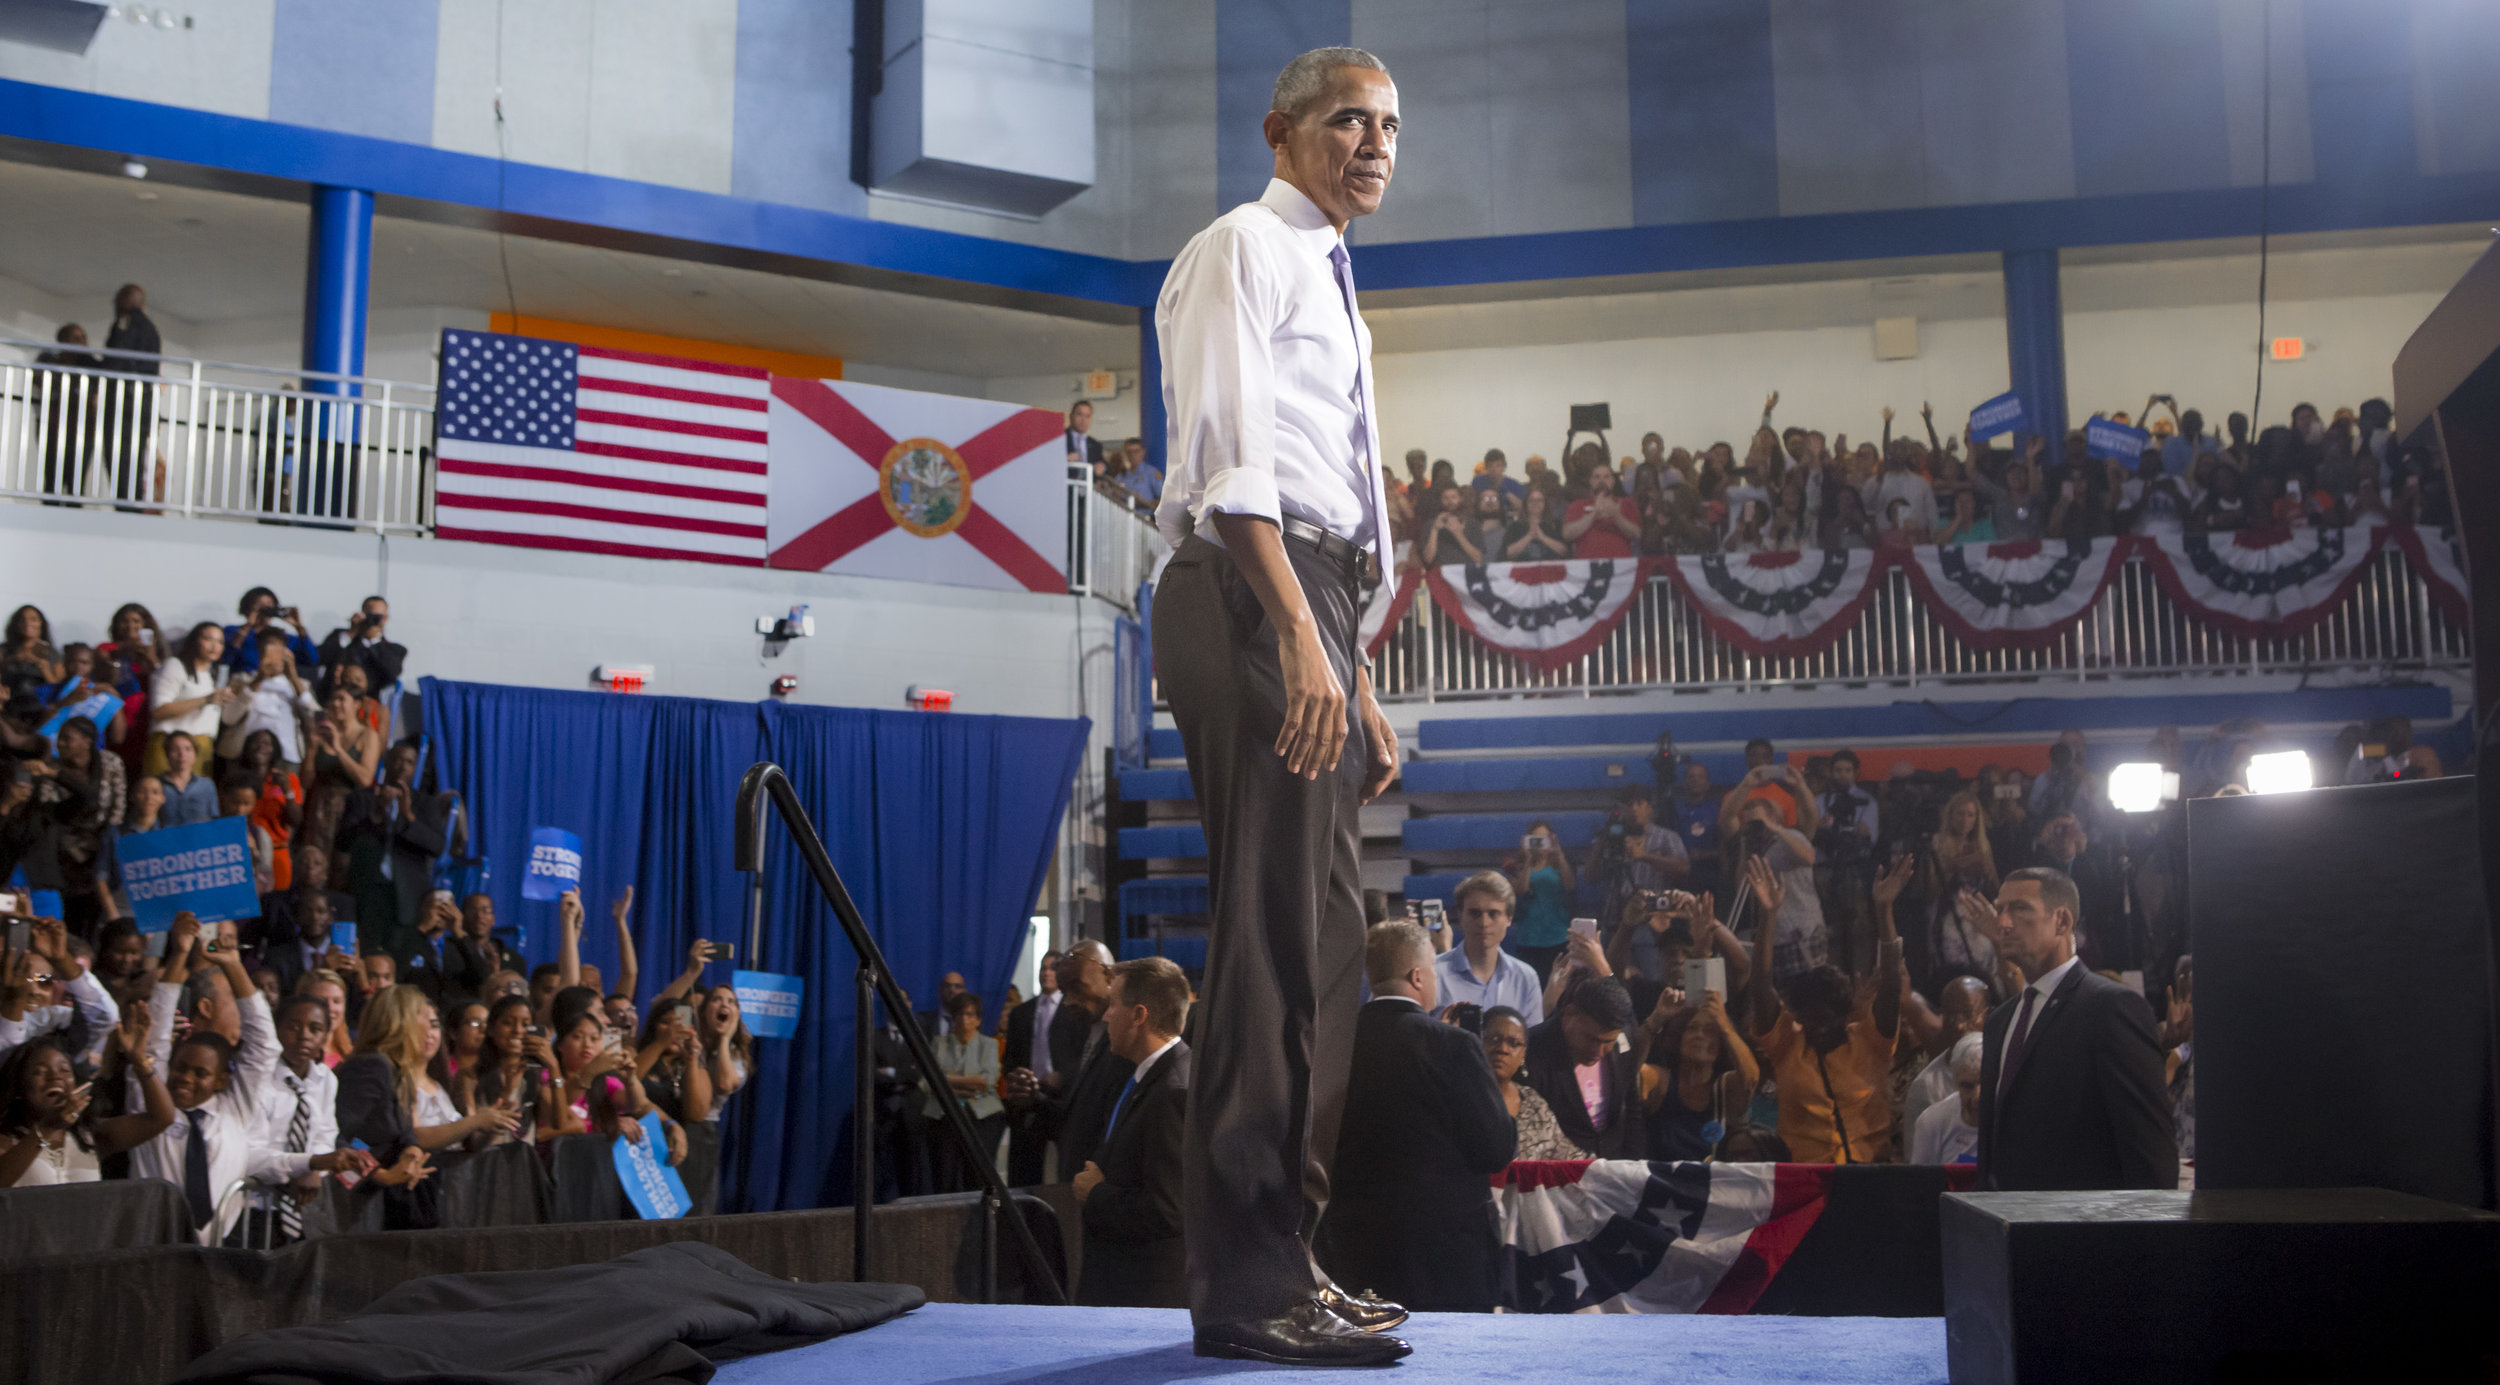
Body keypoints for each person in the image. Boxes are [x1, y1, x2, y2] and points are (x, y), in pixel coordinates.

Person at [1149, 43, 1410, 1364]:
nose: (1373, 143)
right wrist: (1305, 635)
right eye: (1346, 120)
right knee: (1266, 947)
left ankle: (1286, 1258)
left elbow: (1334, 479)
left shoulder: (1332, 276)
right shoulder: (1243, 246)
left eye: (1387, 125)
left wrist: (1352, 670)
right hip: (1253, 586)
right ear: (1281, 130)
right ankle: (1248, 1286)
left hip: (1315, 604)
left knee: (1327, 949)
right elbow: (1235, 462)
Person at [1317, 921, 1514, 1313]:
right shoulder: (1454, 1045)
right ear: (1418, 975)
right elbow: (1494, 1149)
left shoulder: (1330, 1044)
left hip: (1351, 1244)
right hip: (1444, 1252)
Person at [1977, 868, 2176, 1190]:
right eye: (2000, 909)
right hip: (2007, 1229)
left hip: (2082, 1232)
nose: (2002, 923)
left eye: (2019, 908)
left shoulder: (2111, 1008)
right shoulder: (2000, 1021)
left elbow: (2149, 1151)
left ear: (2062, 922)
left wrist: (2148, 1236)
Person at [131, 913, 283, 1242]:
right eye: (180, 1068)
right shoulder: (149, 1103)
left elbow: (264, 1045)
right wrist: (180, 953)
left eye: (201, 1073)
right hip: (151, 1252)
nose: (185, 1078)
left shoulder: (235, 1110)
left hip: (217, 1254)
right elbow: (155, 1036)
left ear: (220, 1081)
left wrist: (233, 965)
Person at [1745, 854, 1904, 1164]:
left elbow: (1892, 984)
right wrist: (1769, 916)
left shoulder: (1871, 1042)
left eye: (1827, 1016)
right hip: (1808, 1179)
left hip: (1871, 1173)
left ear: (1845, 1013)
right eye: (1809, 1015)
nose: (1817, 1024)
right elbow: (1760, 985)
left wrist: (1884, 911)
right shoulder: (1787, 1046)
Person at [1072, 955, 1193, 1309]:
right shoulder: (1155, 1077)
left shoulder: (1172, 1092)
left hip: (1144, 1297)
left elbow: (1167, 1210)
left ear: (1139, 1015)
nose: (1106, 1015)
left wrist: (1095, 1193)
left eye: (1112, 1004)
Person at [245, 994, 377, 1242]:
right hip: (255, 1205)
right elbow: (250, 1152)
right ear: (277, 1028)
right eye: (293, 1027)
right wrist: (308, 1163)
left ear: (326, 1035)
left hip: (302, 1205)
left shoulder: (324, 1079)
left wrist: (315, 1167)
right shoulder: (259, 1078)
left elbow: (325, 1135)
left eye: (315, 1029)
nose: (304, 1035)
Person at [0, 1010, 170, 1187]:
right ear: (20, 1087)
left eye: (64, 1070)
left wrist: (140, 1061)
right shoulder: (6, 1139)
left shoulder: (90, 1136)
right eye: (40, 1072)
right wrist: (46, 1129)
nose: (55, 1077)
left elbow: (161, 1118)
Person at [336, 742, 450, 963]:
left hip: (407, 899)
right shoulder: (361, 798)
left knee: (401, 962)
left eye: (409, 762)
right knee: (367, 957)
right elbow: (343, 842)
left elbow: (437, 847)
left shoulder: (426, 804)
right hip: (367, 893)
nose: (402, 766)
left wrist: (408, 817)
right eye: (397, 759)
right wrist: (376, 815)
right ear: (386, 761)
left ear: (416, 768)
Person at [1521, 974, 1643, 1158]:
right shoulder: (1530, 1052)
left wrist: (1633, 1168)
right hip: (1558, 1174)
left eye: (1607, 1042)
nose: (1599, 1051)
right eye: (1591, 1038)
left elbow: (1632, 1109)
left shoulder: (1622, 1043)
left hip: (1616, 1170)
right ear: (1569, 1013)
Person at [1640, 987, 1758, 1162]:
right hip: (1663, 1183)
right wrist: (1656, 1020)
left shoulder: (1725, 1087)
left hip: (1713, 1185)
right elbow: (1629, 1071)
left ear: (1722, 1044)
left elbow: (1750, 1079)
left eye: (1710, 1031)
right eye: (1691, 1028)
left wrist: (1724, 1025)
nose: (1699, 1035)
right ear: (1678, 1036)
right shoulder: (1659, 1080)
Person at [1002, 949, 1081, 1185]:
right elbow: (1010, 1058)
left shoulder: (1075, 1011)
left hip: (1062, 1098)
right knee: (1025, 1169)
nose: (1047, 973)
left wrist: (1063, 1075)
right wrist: (1017, 1077)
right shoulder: (1021, 1013)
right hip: (1028, 1097)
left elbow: (1083, 1055)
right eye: (1043, 968)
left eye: (1053, 968)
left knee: (1065, 1166)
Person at [1432, 871, 1545, 1024]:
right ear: (1461, 916)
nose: (1484, 923)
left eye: (1493, 914)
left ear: (1509, 919)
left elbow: (1531, 1042)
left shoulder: (1525, 977)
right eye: (1475, 913)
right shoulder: (1434, 973)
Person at [920, 989, 1003, 1191]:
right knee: (944, 1178)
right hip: (943, 1117)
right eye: (959, 1014)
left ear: (978, 1019)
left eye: (970, 1014)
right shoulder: (939, 1044)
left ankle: (979, 1221)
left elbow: (986, 1082)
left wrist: (945, 1079)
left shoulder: (989, 1045)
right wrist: (964, 1085)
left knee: (976, 1178)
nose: (964, 1019)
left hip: (982, 1117)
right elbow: (926, 1082)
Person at [1478, 1006, 1573, 1160]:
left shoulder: (1533, 1101)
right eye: (1493, 1039)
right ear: (1478, 1042)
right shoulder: (1462, 1099)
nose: (1503, 1049)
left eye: (1514, 1043)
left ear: (1523, 1054)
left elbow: (1565, 1155)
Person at [148, 622, 235, 778]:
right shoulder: (175, 665)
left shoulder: (213, 675)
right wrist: (206, 699)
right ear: (194, 640)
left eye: (220, 642)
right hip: (170, 747)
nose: (214, 646)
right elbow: (159, 711)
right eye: (208, 639)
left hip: (203, 747)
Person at [219, 632, 319, 769]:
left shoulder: (301, 685)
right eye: (266, 649)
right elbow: (228, 718)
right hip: (243, 754)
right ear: (259, 652)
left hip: (287, 756)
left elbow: (314, 715)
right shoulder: (241, 679)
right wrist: (258, 680)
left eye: (277, 650)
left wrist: (293, 677)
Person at [1501, 826, 1576, 982]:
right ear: (1528, 841)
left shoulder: (1559, 866)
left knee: (1560, 985)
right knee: (1529, 984)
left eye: (1544, 839)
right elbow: (1521, 889)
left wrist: (1559, 854)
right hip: (1529, 938)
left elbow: (1570, 886)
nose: (1541, 844)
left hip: (1558, 936)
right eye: (1536, 840)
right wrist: (1528, 859)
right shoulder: (1517, 868)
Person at [1908, 1032, 1985, 1166]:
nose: (1976, 1097)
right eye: (1967, 1086)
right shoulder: (1932, 1123)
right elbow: (1920, 1183)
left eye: (1985, 1083)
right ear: (1955, 1083)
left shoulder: (2015, 1120)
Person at [317, 597, 406, 706]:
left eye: (378, 617)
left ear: (386, 618)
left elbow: (392, 673)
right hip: (332, 702)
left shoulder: (394, 649)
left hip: (366, 706)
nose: (373, 620)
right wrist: (351, 633)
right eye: (370, 615)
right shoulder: (343, 637)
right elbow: (319, 658)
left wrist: (373, 641)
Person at [155, 728, 218, 829]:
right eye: (175, 750)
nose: (182, 755)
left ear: (195, 753)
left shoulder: (207, 785)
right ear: (167, 754)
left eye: (188, 749)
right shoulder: (156, 784)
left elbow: (214, 819)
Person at [1064, 400, 1107, 475]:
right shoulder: (1059, 439)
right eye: (1080, 415)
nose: (1083, 420)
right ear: (1071, 416)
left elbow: (1105, 465)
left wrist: (1102, 466)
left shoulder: (1095, 445)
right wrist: (1064, 459)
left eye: (1087, 416)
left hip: (1088, 485)